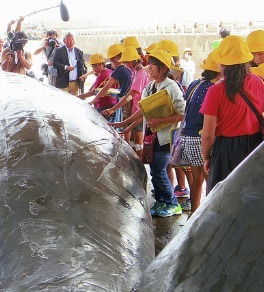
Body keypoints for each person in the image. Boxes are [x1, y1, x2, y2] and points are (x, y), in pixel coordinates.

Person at [200, 35, 264, 193]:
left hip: (226, 151)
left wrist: (207, 157)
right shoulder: (262, 82)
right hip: (256, 147)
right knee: (254, 195)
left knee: (224, 198)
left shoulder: (215, 91)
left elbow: (208, 135)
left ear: (223, 64)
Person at [113, 50, 186, 217]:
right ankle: (161, 201)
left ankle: (172, 203)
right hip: (151, 136)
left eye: (153, 64)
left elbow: (183, 113)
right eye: (149, 63)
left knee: (159, 170)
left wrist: (160, 121)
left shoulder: (171, 87)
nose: (149, 67)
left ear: (163, 68)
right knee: (154, 169)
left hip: (166, 138)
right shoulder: (150, 87)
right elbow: (143, 111)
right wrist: (125, 124)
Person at [180, 50, 221, 213]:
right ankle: (210, 215)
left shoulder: (195, 84)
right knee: (209, 180)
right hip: (200, 137)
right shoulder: (214, 89)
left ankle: (194, 213)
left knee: (196, 179)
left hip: (187, 137)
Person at [77, 53, 116, 119]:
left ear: (102, 64)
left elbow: (93, 92)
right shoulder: (109, 71)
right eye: (92, 66)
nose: (93, 68)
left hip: (104, 106)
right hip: (112, 104)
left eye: (95, 66)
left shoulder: (101, 76)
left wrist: (78, 97)